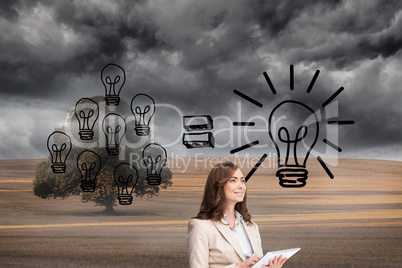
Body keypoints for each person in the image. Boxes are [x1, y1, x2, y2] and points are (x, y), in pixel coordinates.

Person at [187, 161, 287, 268]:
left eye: (242, 181)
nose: (241, 186)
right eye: (233, 180)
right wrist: (238, 267)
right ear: (218, 186)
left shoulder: (251, 227)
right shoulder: (200, 226)